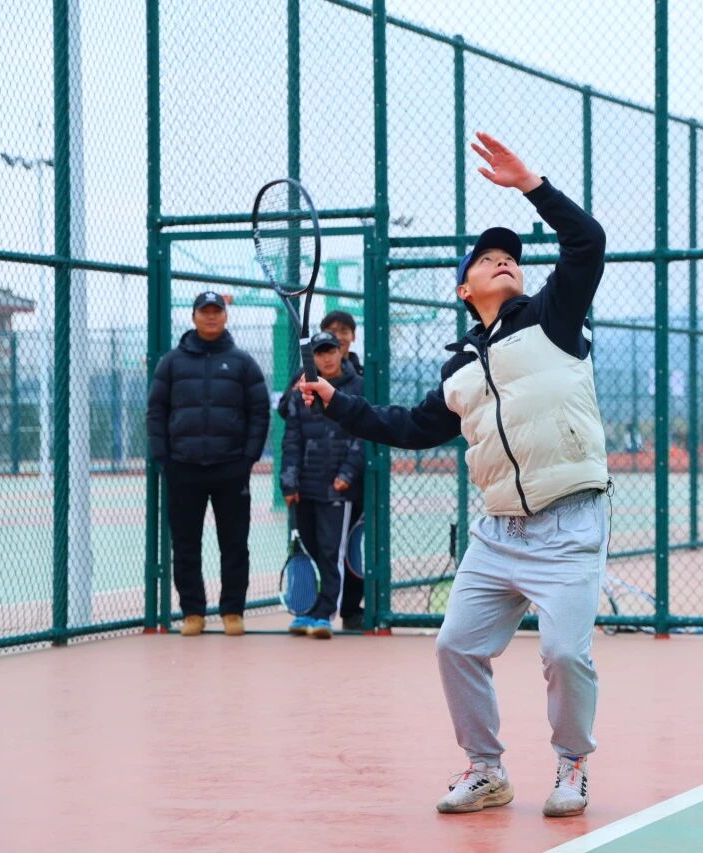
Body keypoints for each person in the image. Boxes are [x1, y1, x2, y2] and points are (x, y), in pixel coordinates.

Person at [299, 132, 608, 818]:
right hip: (498, 533)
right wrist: (336, 401)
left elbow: (587, 242)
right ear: (465, 288)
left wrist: (532, 185)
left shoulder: (555, 318)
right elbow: (410, 427)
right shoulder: (459, 368)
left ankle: (572, 762)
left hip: (570, 522)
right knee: (455, 645)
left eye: (512, 257)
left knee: (564, 653)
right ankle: (486, 770)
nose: (505, 261)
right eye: (489, 258)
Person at [146, 291, 270, 637]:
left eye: (217, 311)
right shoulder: (171, 363)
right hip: (183, 467)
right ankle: (193, 612)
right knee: (185, 544)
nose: (211, 316)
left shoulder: (243, 363)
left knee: (234, 543)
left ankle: (232, 611)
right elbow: (156, 411)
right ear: (194, 317)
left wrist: (248, 457)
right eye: (205, 311)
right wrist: (164, 457)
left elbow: (259, 412)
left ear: (225, 316)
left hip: (231, 468)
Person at [279, 331, 366, 638]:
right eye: (319, 353)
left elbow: (363, 436)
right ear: (311, 357)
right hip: (305, 488)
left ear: (341, 352)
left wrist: (347, 474)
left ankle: (325, 614)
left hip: (337, 489)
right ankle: (306, 610)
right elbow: (291, 439)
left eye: (331, 351)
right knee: (310, 551)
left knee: (331, 551)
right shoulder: (300, 391)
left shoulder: (358, 388)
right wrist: (289, 483)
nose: (327, 358)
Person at [319, 309, 363, 376]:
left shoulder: (365, 375)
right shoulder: (307, 375)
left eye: (344, 332)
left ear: (353, 336)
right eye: (332, 332)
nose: (338, 337)